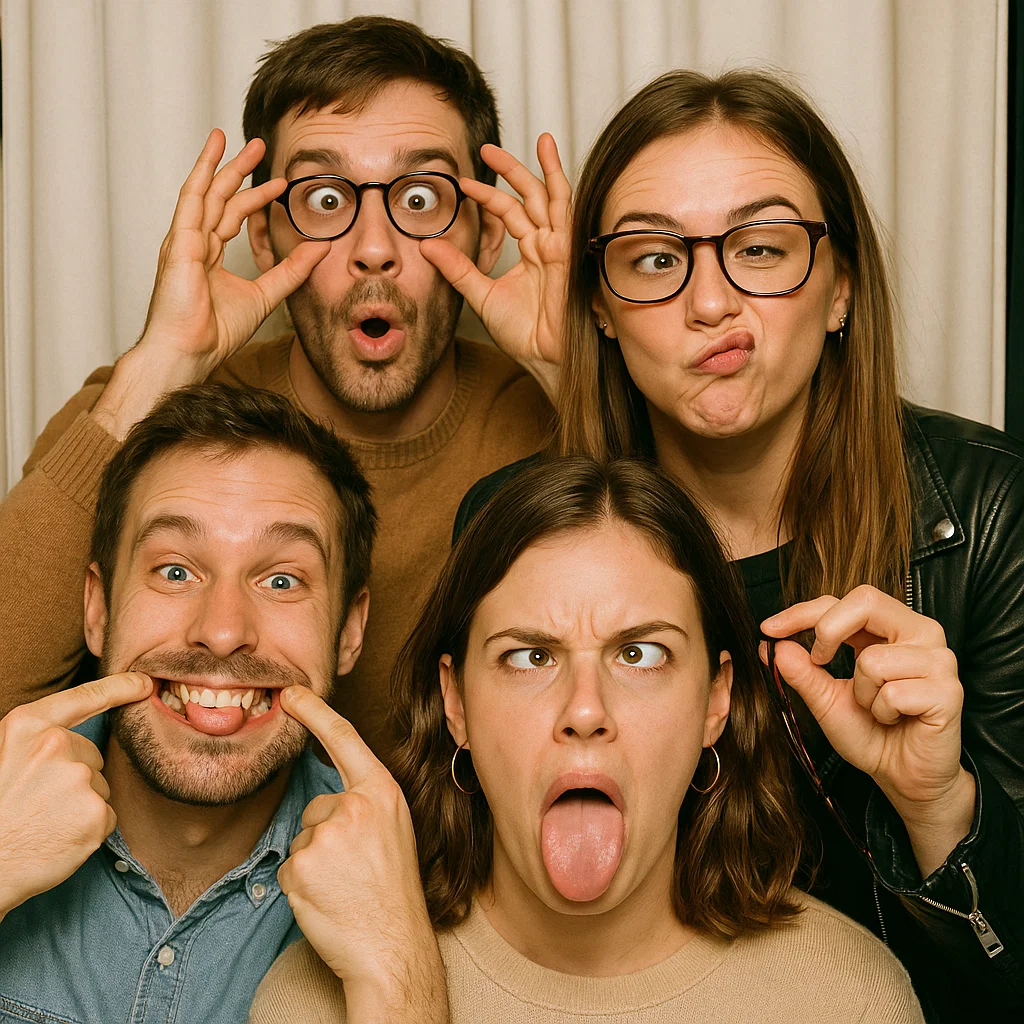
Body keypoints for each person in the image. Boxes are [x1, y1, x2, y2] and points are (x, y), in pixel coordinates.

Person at [447, 70, 1024, 1019]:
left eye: (760, 248)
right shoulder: (513, 525)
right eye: (653, 260)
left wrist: (938, 809)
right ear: (598, 304)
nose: (710, 302)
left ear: (840, 289)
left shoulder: (987, 513)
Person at [0, 16, 552, 760]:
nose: (375, 250)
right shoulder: (142, 418)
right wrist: (165, 360)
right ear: (264, 237)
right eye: (326, 200)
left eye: (420, 199)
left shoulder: (558, 416)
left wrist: (571, 369)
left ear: (487, 234)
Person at [248, 456, 923, 1023]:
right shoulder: (322, 997)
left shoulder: (845, 1000)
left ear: (716, 701)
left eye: (640, 655)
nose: (585, 710)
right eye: (530, 657)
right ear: (456, 704)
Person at [0, 384, 443, 1022]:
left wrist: (395, 964)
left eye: (282, 579)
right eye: (176, 570)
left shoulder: (412, 879)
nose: (225, 630)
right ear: (96, 610)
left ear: (349, 631)